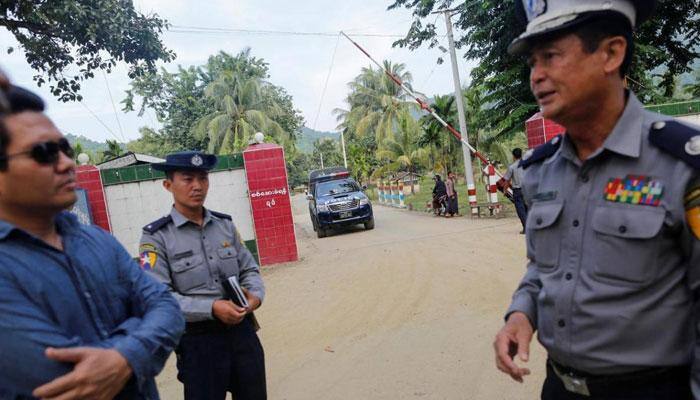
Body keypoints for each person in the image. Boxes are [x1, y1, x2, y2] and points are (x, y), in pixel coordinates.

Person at [493, 1, 700, 399]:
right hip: (560, 389)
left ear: (611, 53)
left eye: (551, 57)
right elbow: (543, 267)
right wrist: (521, 313)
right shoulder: (542, 170)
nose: (536, 76)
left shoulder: (680, 164)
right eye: (533, 62)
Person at [0, 79, 184, 399]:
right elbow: (67, 379)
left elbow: (167, 307)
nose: (67, 163)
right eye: (44, 153)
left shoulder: (96, 240)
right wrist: (138, 334)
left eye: (65, 149)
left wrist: (123, 356)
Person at [139, 151, 267, 400]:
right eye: (187, 179)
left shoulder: (225, 226)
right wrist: (211, 308)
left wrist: (255, 297)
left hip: (242, 334)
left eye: (203, 178)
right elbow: (158, 297)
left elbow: (250, 270)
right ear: (168, 185)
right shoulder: (156, 237)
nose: (197, 186)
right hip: (198, 343)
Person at [503, 148, 528, 233]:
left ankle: (526, 228)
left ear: (513, 156)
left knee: (520, 210)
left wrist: (505, 190)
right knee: (528, 208)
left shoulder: (512, 167)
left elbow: (507, 180)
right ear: (521, 155)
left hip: (517, 191)